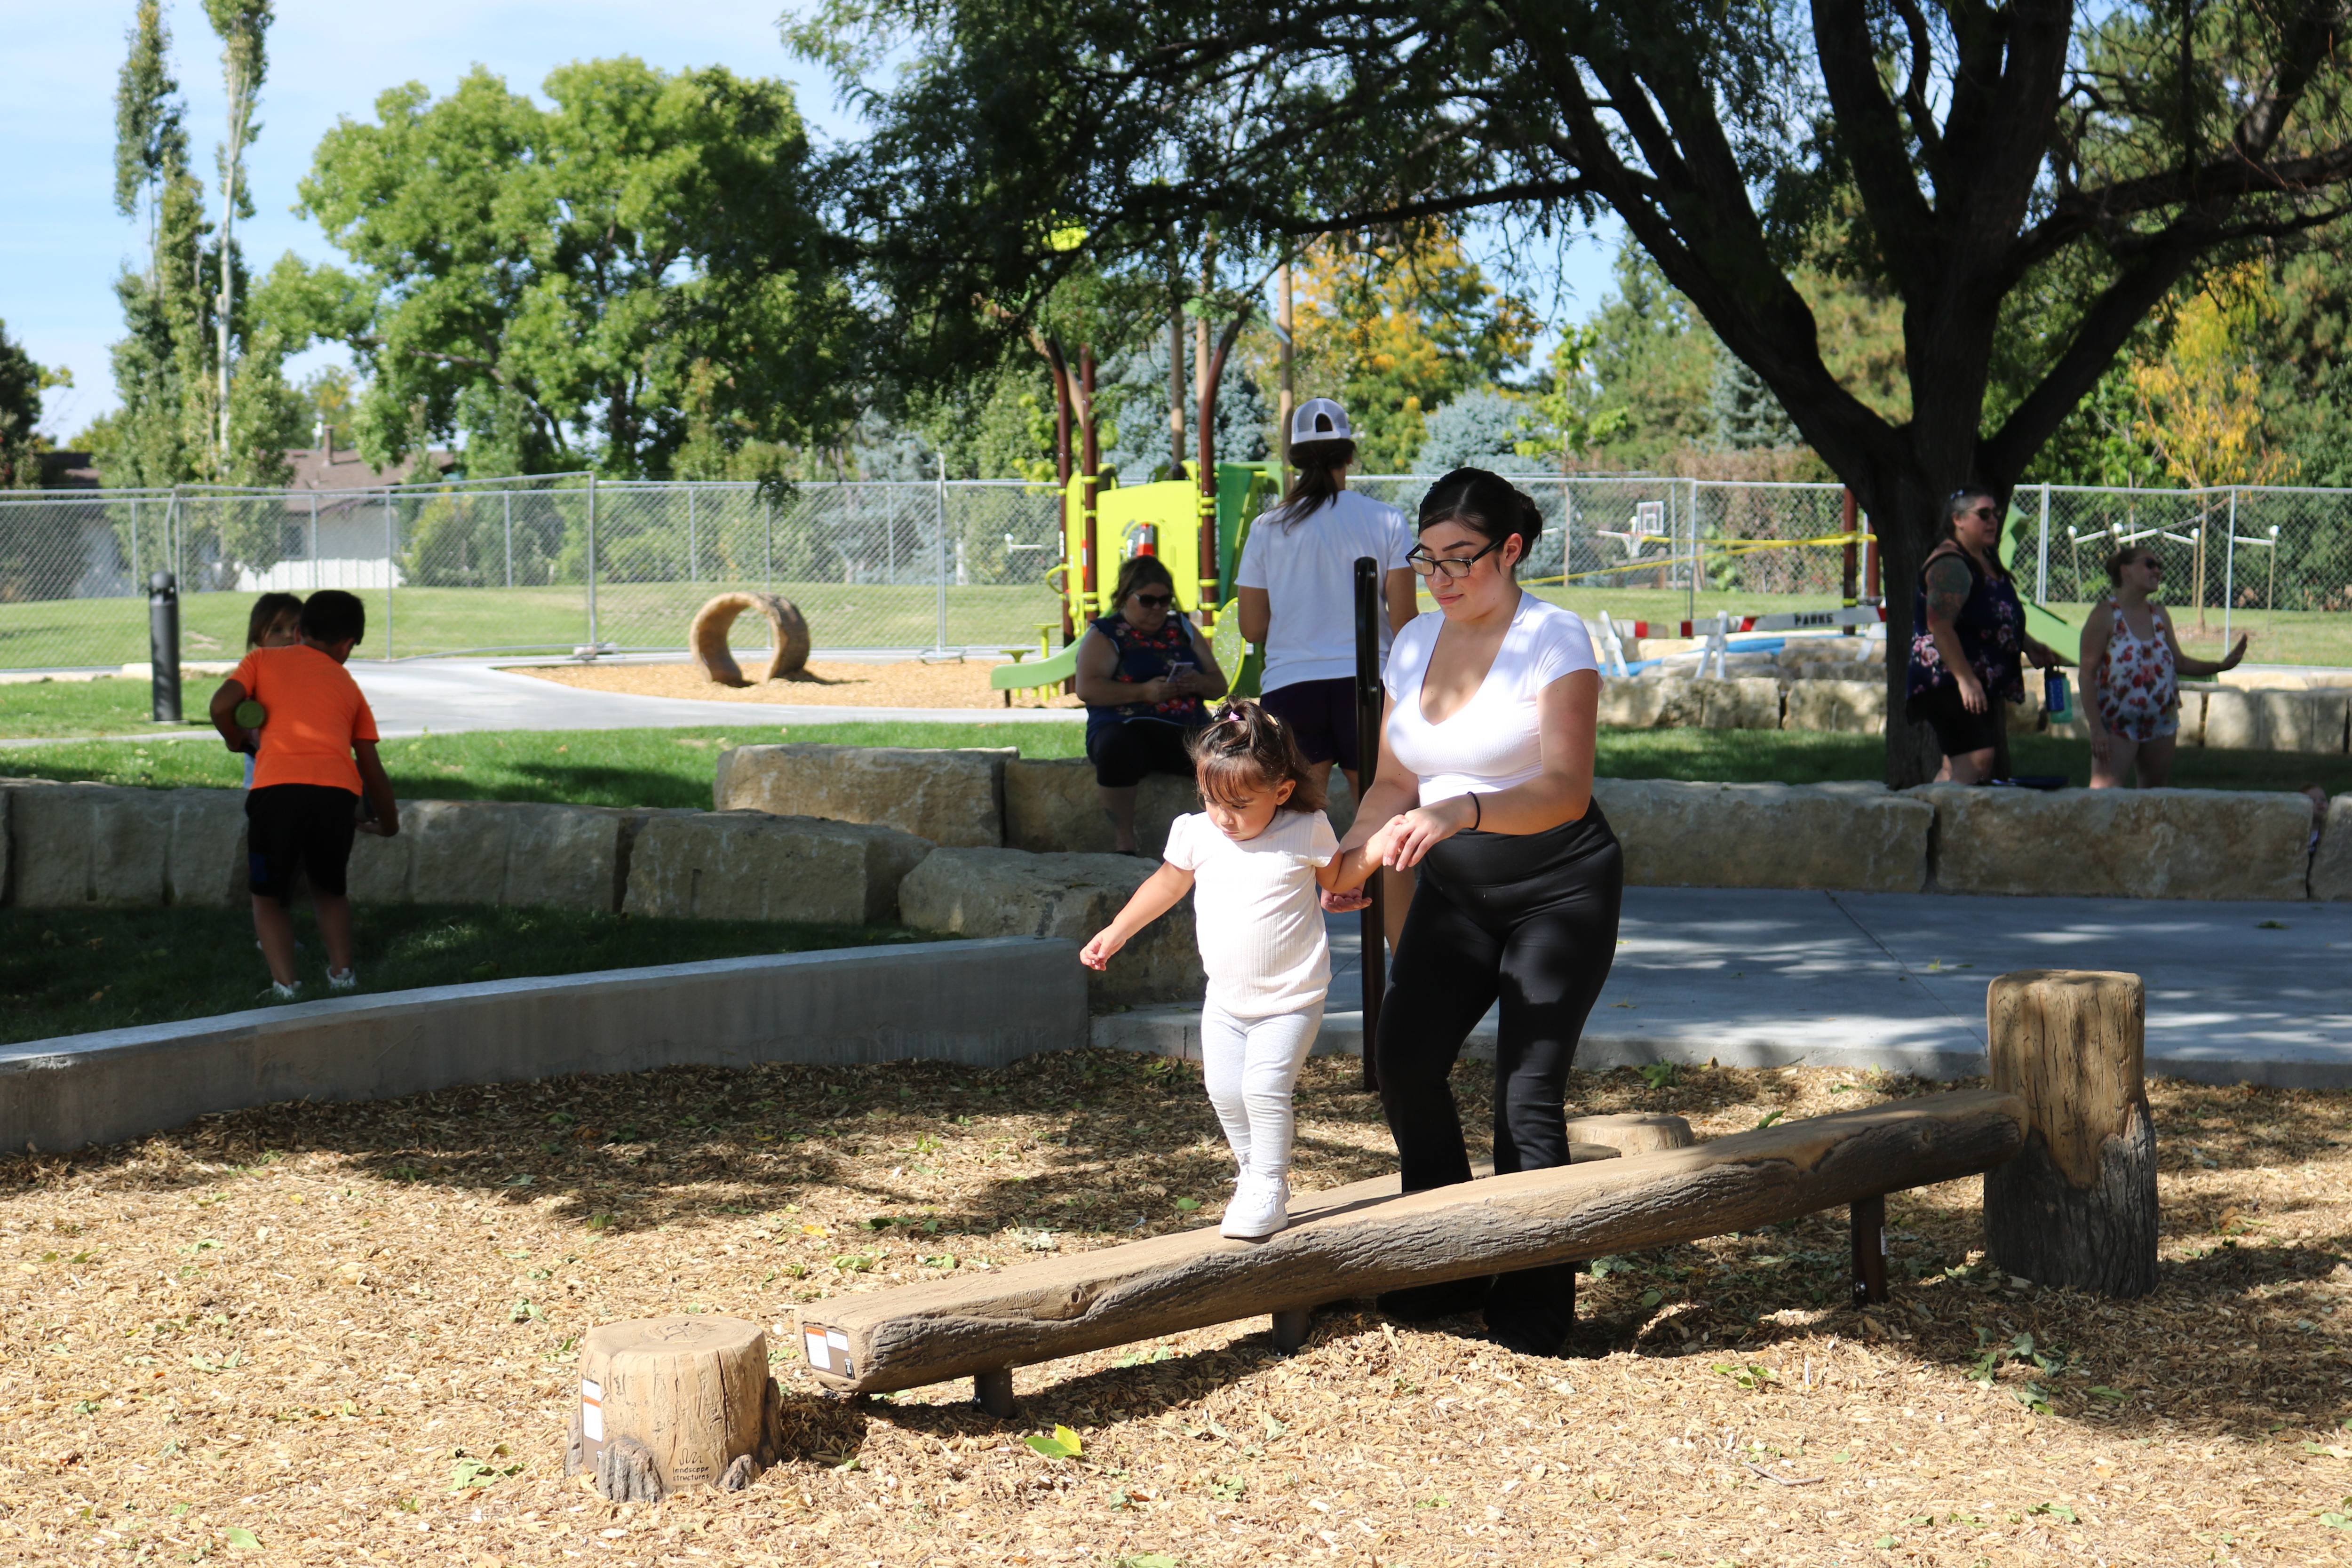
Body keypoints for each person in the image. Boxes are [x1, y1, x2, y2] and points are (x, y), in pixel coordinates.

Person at [1339, 467, 1622, 1357]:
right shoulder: (1414, 640)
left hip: (1559, 888)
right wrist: (1351, 857)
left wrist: (1460, 808)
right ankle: (1450, 1261)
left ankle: (1536, 1302)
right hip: (1457, 893)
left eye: (1465, 558)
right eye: (1428, 558)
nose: (1444, 576)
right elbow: (1391, 783)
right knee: (1406, 1058)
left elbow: (1565, 791)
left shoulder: (1555, 636)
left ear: (1512, 549)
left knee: (1525, 1094)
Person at [1080, 701, 1376, 1238]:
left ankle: (1266, 1181)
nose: (1223, 817)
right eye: (1211, 800)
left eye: (1239, 804)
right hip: (1225, 1000)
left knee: (1263, 1089)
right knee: (1223, 1090)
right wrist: (1117, 930)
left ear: (1281, 791)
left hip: (1291, 997)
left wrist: (1374, 852)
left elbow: (1336, 877)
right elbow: (1166, 886)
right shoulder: (1196, 833)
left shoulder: (1304, 828)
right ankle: (1254, 1174)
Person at [1234, 396, 1419, 942]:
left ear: (1293, 458)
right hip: (1369, 686)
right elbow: (1405, 618)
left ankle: (1281, 953)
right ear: (1349, 455)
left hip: (1292, 688)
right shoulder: (1384, 519)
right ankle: (1401, 960)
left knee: (1292, 828)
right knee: (1384, 824)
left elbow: (1251, 627)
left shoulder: (1269, 528)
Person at [209, 589, 399, 1000]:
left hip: (275, 795)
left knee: (267, 896)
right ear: (347, 644)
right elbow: (371, 768)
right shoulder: (349, 686)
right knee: (330, 890)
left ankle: (285, 987)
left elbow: (221, 704)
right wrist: (389, 823)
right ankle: (343, 975)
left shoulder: (261, 660)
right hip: (335, 797)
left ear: (299, 630)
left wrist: (235, 740)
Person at [1903, 487, 2070, 783]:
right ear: (1959, 520)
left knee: (1957, 765)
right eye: (1983, 514)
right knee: (1978, 761)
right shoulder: (1950, 564)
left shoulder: (1985, 560)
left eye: (1996, 514)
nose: (1993, 520)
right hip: (1951, 679)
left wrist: (2029, 645)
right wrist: (1966, 681)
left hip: (1974, 679)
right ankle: (1949, 823)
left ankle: (1934, 822)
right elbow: (1940, 627)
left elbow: (1994, 615)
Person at [1074, 555, 1229, 853]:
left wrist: (1196, 683)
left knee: (1227, 750)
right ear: (1124, 597)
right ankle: (1125, 841)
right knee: (1116, 747)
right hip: (1127, 728)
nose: (1157, 608)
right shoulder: (1106, 634)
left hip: (1185, 730)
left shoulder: (1182, 629)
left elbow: (1218, 685)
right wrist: (1144, 692)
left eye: (1164, 600)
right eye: (1147, 600)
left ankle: (1231, 833)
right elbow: (1088, 689)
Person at [2080, 545, 2246, 788]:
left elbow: (2178, 662)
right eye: (2149, 564)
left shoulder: (2160, 615)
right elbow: (2086, 673)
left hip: (2161, 721)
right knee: (2104, 798)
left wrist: (2221, 666)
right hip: (2117, 723)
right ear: (2125, 571)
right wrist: (2096, 728)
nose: (2157, 570)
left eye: (2160, 566)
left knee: (2155, 800)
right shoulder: (2104, 615)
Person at [238, 593, 304, 790]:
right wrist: (237, 738)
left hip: (305, 755)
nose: (288, 636)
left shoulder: (309, 668)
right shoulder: (255, 669)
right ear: (259, 637)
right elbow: (227, 706)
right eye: (277, 630)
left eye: (295, 628)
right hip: (263, 757)